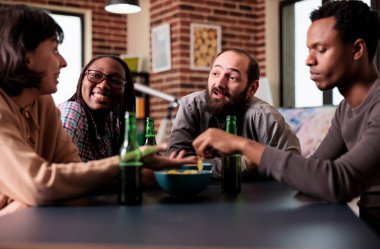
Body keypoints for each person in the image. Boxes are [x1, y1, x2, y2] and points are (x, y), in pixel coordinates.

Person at [193, 0, 380, 235]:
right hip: (367, 233)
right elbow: (313, 170)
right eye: (309, 50)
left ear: (357, 50)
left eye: (321, 50)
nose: (309, 60)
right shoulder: (345, 110)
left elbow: (339, 181)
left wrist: (241, 144)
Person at [0, 4, 194, 217]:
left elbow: (74, 176)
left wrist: (136, 174)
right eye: (54, 49)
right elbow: (37, 187)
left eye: (114, 80)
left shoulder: (43, 102)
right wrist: (127, 162)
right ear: (26, 55)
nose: (63, 62)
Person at [169, 48, 301, 178]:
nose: (219, 83)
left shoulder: (265, 116)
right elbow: (178, 165)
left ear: (252, 88)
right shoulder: (190, 106)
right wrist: (245, 162)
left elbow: (295, 168)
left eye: (232, 77)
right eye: (215, 73)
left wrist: (204, 166)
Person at [58, 55, 135, 162]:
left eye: (116, 81)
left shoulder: (112, 125)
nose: (103, 85)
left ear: (124, 92)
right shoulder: (72, 110)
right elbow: (58, 167)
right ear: (82, 80)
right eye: (95, 75)